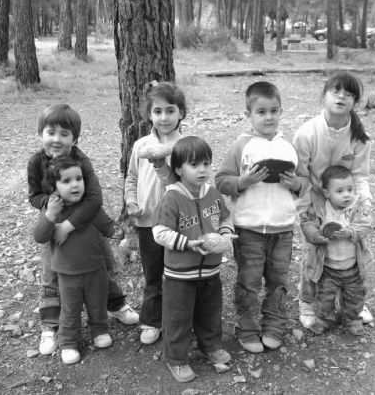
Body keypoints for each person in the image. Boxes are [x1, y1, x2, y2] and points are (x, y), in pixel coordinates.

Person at [27, 104, 138, 356]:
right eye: (50, 132)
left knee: (103, 266)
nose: (57, 139)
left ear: (74, 138)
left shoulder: (81, 160)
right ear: (40, 134)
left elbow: (94, 199)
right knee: (52, 276)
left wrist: (70, 224)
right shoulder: (36, 162)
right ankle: (51, 325)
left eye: (64, 134)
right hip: (54, 227)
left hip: (86, 222)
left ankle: (114, 305)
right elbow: (34, 196)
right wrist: (53, 207)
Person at [215, 81, 307, 353]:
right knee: (249, 282)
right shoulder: (241, 146)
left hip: (283, 229)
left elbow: (305, 181)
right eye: (262, 112)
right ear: (248, 115)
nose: (269, 117)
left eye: (274, 111)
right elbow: (221, 181)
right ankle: (247, 327)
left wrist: (296, 185)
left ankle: (274, 324)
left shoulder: (288, 148)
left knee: (279, 281)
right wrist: (242, 181)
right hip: (249, 228)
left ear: (281, 112)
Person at [293, 71, 373, 332]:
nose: (342, 97)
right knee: (313, 254)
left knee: (353, 250)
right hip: (317, 200)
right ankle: (307, 302)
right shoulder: (306, 134)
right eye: (335, 91)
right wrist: (304, 212)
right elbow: (301, 176)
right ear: (323, 97)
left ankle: (354, 303)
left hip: (348, 200)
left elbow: (360, 175)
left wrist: (364, 204)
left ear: (355, 102)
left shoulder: (360, 137)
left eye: (349, 94)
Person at [153, 136, 236, 383]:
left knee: (210, 313)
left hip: (211, 271)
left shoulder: (213, 193)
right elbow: (159, 232)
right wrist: (187, 243)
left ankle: (210, 346)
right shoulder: (172, 197)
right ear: (178, 168)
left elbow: (225, 218)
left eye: (206, 163)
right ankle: (176, 359)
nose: (202, 170)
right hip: (180, 275)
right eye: (194, 164)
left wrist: (225, 233)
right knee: (178, 318)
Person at [33, 156, 115, 364]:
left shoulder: (89, 208)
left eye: (78, 178)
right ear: (54, 187)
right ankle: (68, 342)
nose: (75, 184)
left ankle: (99, 330)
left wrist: (118, 231)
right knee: (70, 309)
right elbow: (40, 236)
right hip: (67, 274)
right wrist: (50, 215)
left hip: (95, 268)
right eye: (66, 181)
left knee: (97, 303)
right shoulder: (55, 211)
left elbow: (106, 225)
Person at [124, 81, 185, 345]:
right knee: (152, 273)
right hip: (147, 221)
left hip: (179, 223)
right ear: (149, 114)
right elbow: (131, 178)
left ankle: (178, 319)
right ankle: (151, 320)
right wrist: (131, 201)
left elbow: (194, 183)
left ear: (181, 112)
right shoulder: (140, 145)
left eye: (170, 110)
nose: (164, 117)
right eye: (157, 111)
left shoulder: (187, 145)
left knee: (177, 274)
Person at [299, 165, 373, 335]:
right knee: (324, 296)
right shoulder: (321, 210)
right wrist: (316, 236)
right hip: (327, 268)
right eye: (339, 191)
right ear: (326, 193)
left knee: (354, 296)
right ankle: (324, 319)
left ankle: (352, 319)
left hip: (352, 266)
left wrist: (350, 232)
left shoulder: (357, 208)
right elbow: (307, 223)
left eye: (350, 189)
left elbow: (366, 225)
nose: (346, 194)